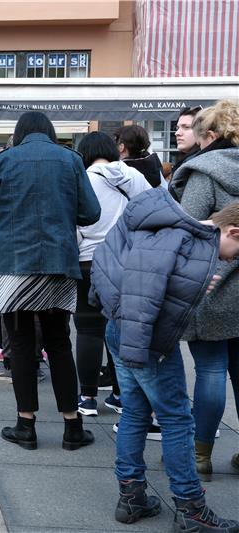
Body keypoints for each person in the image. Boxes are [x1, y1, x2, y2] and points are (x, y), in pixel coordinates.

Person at [90, 190, 239, 532]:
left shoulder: (173, 231)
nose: (231, 261)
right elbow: (144, 291)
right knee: (176, 419)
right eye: (237, 253)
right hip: (143, 338)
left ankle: (132, 498)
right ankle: (192, 510)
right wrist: (142, 349)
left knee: (136, 411)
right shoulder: (185, 240)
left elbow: (129, 272)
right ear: (233, 232)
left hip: (123, 329)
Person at [0, 111, 101, 451]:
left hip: (12, 265)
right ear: (50, 132)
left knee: (21, 342)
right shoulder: (70, 159)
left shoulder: (4, 161)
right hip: (59, 262)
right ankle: (72, 426)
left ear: (19, 133)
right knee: (59, 342)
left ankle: (25, 424)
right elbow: (91, 213)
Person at [169, 100, 239, 481]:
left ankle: (201, 453)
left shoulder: (203, 173)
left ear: (210, 135)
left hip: (212, 287)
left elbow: (187, 229)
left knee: (211, 370)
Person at [74, 132, 151, 417]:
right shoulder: (134, 177)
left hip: (88, 261)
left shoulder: (83, 180)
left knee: (87, 328)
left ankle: (87, 397)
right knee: (119, 328)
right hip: (127, 261)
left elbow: (75, 225)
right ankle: (121, 394)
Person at [169, 105, 203, 198]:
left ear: (202, 131)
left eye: (186, 127)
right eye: (177, 128)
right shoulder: (188, 161)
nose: (177, 133)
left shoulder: (199, 167)